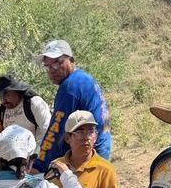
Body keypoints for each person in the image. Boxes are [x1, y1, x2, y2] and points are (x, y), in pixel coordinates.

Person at [32, 39, 112, 173]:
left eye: (58, 63)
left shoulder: (70, 86)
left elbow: (55, 131)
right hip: (100, 147)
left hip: (87, 154)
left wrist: (39, 166)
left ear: (71, 60)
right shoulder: (83, 78)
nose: (53, 70)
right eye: (48, 66)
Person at [0, 75, 51, 175]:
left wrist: (34, 161)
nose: (3, 99)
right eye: (1, 96)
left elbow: (48, 132)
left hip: (36, 158)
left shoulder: (34, 104)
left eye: (6, 94)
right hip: (10, 161)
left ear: (18, 92)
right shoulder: (2, 111)